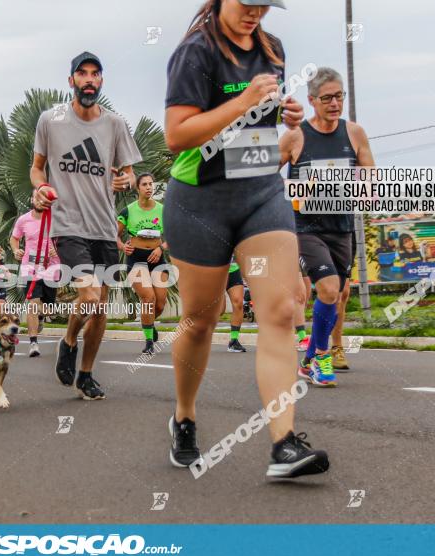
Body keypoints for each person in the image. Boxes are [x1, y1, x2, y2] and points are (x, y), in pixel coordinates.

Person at [163, 0, 330, 477]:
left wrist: (287, 115)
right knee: (199, 320)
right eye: (247, 3)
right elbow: (177, 136)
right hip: (200, 199)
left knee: (279, 310)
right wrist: (243, 101)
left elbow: (259, 124)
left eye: (265, 4)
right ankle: (184, 417)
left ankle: (284, 445)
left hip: (259, 191)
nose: (256, 12)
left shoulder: (272, 49)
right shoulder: (195, 53)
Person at [31, 51, 142, 400]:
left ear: (102, 81)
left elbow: (129, 173)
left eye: (95, 74)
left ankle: (86, 373)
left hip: (105, 228)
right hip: (68, 225)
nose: (89, 79)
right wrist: (41, 187)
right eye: (83, 74)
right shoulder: (51, 120)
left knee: (100, 306)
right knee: (90, 294)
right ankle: (67, 341)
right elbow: (37, 168)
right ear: (71, 81)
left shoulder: (114, 124)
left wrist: (125, 180)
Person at [280, 66, 375, 384]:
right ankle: (321, 359)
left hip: (342, 226)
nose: (335, 103)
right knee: (329, 288)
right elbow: (265, 175)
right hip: (306, 227)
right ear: (311, 100)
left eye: (339, 96)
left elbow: (369, 173)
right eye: (327, 98)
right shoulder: (296, 136)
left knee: (338, 292)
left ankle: (307, 361)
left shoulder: (355, 133)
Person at [117, 172, 169, 355]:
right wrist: (123, 247)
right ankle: (149, 341)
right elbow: (113, 234)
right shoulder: (128, 210)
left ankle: (149, 324)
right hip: (136, 259)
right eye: (145, 184)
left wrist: (161, 248)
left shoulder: (163, 209)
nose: (149, 187)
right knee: (148, 298)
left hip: (157, 257)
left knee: (160, 303)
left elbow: (172, 234)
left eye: (151, 184)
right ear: (138, 188)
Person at [10, 191, 61, 358]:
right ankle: (33, 342)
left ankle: (41, 316)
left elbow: (68, 239)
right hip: (30, 268)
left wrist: (57, 248)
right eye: (36, 197)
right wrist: (16, 250)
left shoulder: (55, 219)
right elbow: (14, 238)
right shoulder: (23, 219)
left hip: (52, 267)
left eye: (42, 198)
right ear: (32, 199)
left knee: (48, 308)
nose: (39, 201)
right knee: (32, 303)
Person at [225, 257, 247, 352]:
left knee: (238, 303)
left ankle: (233, 341)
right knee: (219, 309)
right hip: (214, 269)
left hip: (233, 268)